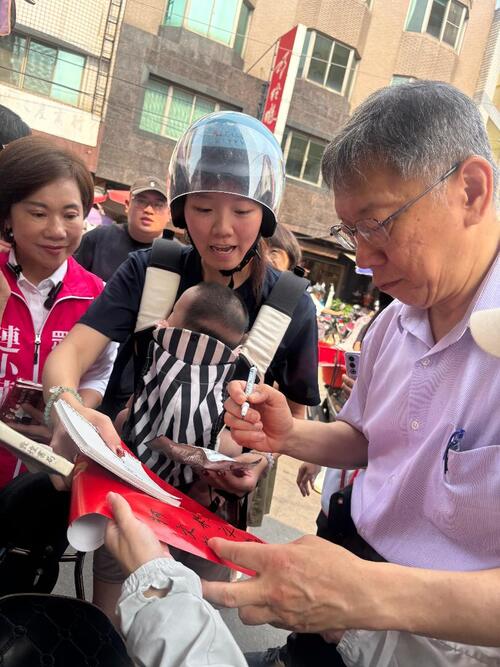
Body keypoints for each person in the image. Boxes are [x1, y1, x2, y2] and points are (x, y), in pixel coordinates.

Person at [201, 82, 500, 666]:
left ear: (471, 190)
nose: (362, 258)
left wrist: (361, 593)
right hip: (340, 600)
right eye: (351, 232)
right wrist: (290, 435)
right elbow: (370, 439)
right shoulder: (393, 323)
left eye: (378, 224)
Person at [42, 111, 319, 619]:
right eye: (204, 208)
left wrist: (258, 462)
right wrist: (66, 407)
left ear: (265, 216)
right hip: (130, 488)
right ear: (183, 209)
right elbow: (70, 354)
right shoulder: (151, 270)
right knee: (114, 619)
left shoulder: (291, 305)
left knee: (189, 625)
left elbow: (296, 421)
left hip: (210, 512)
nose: (221, 228)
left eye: (242, 210)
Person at [0, 136, 117, 594]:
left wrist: (68, 417)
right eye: (37, 213)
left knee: (22, 597)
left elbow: (101, 371)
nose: (56, 229)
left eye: (70, 214)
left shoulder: (99, 295)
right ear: (8, 216)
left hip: (44, 482)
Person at [74, 176, 171, 282]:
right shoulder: (97, 239)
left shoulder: (176, 257)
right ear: (127, 205)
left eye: (158, 205)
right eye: (141, 201)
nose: (148, 210)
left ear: (169, 214)